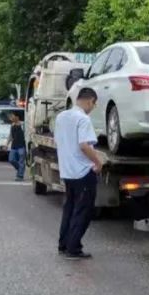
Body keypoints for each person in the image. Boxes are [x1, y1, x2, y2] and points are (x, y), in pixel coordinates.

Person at [55, 88, 102, 259]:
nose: (93, 107)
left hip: (67, 170)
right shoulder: (83, 119)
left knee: (69, 208)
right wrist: (98, 161)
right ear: (90, 100)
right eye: (94, 104)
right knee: (82, 211)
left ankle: (63, 244)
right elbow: (84, 145)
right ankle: (73, 248)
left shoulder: (61, 117)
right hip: (83, 172)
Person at [7, 113, 27, 181]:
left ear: (17, 117)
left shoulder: (23, 125)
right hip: (14, 145)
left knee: (21, 160)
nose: (11, 118)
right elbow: (10, 135)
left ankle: (20, 176)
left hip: (21, 145)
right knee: (11, 159)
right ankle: (20, 169)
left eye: (12, 116)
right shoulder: (12, 125)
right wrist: (7, 144)